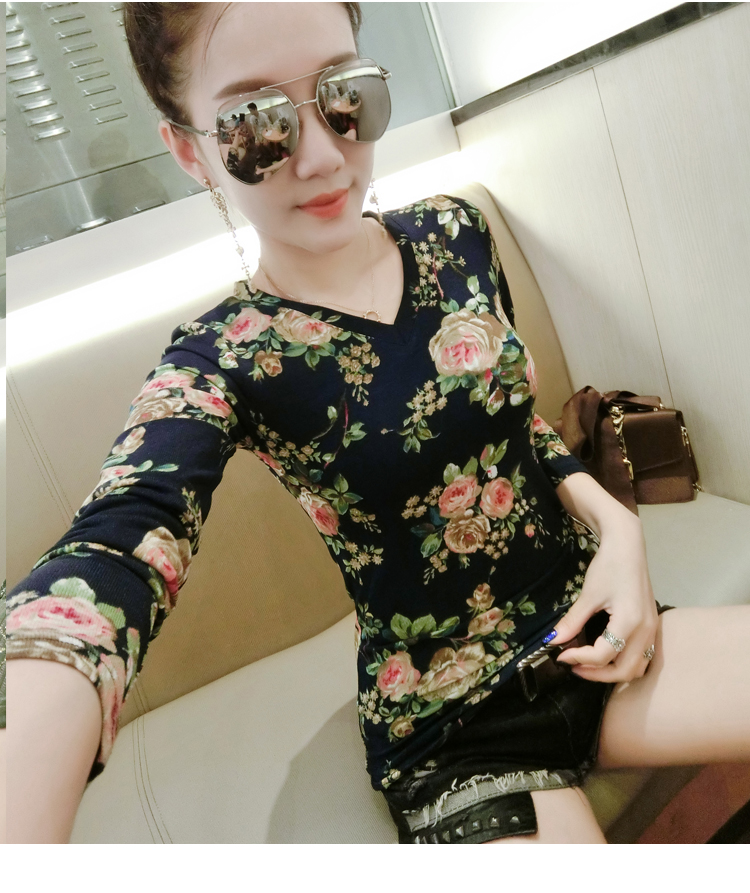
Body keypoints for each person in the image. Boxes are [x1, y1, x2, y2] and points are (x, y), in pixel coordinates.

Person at [4, 1, 749, 845]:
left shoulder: (457, 233)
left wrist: (617, 527)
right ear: (188, 148)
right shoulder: (223, 357)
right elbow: (122, 535)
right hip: (456, 726)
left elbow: (509, 429)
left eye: (345, 92)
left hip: (591, 626)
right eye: (256, 123)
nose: (324, 155)